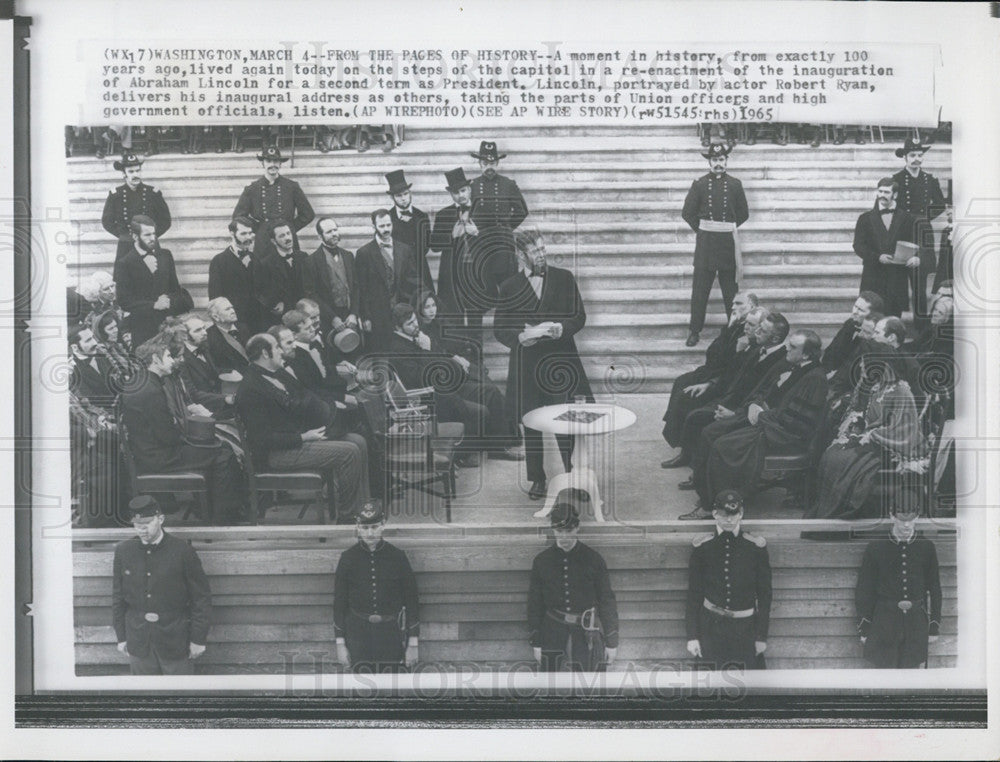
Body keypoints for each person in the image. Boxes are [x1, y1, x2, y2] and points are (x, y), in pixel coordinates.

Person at [685, 329, 827, 519]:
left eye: (793, 347)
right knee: (710, 431)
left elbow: (797, 423)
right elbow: (766, 391)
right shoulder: (792, 365)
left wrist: (761, 415)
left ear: (807, 354)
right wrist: (754, 406)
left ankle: (717, 505)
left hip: (781, 433)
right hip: (765, 419)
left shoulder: (815, 378)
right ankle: (707, 494)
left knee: (722, 447)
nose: (786, 348)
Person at [494, 228, 593, 501]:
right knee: (532, 421)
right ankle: (537, 477)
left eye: (542, 249)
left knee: (566, 421)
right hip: (527, 364)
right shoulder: (509, 286)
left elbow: (579, 316)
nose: (542, 254)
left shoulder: (564, 278)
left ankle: (574, 476)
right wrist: (519, 337)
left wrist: (563, 327)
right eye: (535, 251)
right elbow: (499, 328)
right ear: (521, 255)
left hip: (561, 362)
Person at [235, 332, 369, 522]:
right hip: (278, 453)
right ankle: (347, 519)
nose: (282, 351)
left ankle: (364, 510)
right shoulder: (251, 389)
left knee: (358, 441)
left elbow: (305, 399)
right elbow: (261, 439)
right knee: (349, 452)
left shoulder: (279, 373)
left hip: (299, 438)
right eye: (277, 347)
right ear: (265, 353)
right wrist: (304, 437)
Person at [120, 336, 247, 525]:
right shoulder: (150, 390)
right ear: (155, 359)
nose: (172, 361)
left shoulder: (143, 382)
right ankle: (223, 518)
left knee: (220, 448)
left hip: (151, 452)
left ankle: (212, 512)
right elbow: (167, 437)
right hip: (159, 457)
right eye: (169, 357)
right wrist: (195, 439)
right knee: (223, 453)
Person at [808, 317, 924, 520]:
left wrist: (871, 436)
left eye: (864, 365)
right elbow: (865, 416)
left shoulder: (900, 390)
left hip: (893, 446)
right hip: (874, 439)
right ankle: (827, 510)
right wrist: (855, 431)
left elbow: (904, 429)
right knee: (832, 453)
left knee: (842, 459)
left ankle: (844, 511)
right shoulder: (876, 388)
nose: (861, 369)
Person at [674, 310, 788, 479]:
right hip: (731, 398)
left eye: (762, 330)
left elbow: (762, 396)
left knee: (700, 420)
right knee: (690, 403)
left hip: (743, 409)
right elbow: (733, 374)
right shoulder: (759, 349)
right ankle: (691, 459)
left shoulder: (780, 362)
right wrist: (712, 386)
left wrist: (734, 413)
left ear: (775, 339)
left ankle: (701, 476)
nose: (756, 331)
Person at [112, 495, 212, 675]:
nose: (141, 529)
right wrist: (121, 637)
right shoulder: (123, 551)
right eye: (137, 524)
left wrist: (198, 639)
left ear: (161, 519)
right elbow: (118, 598)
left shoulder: (183, 551)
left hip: (175, 640)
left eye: (147, 523)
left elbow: (201, 599)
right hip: (138, 641)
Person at [661, 290, 757, 464]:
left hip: (724, 381)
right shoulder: (736, 325)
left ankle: (686, 452)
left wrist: (710, 384)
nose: (733, 307)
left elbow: (730, 364)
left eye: (739, 304)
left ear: (752, 306)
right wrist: (729, 327)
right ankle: (679, 436)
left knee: (687, 396)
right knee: (682, 381)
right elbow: (713, 351)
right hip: (715, 372)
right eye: (733, 303)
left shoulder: (750, 330)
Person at [527, 501, 618, 672]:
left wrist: (612, 643)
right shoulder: (542, 561)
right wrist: (537, 643)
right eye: (559, 531)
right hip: (552, 633)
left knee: (589, 689)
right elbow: (535, 604)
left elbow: (607, 601)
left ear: (577, 528)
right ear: (553, 529)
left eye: (568, 531)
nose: (564, 537)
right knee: (551, 688)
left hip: (586, 634)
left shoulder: (593, 559)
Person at [685, 489, 771, 670]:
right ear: (715, 514)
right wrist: (693, 636)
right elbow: (694, 595)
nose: (729, 520)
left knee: (750, 689)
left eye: (734, 514)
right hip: (710, 629)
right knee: (707, 690)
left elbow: (765, 596)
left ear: (741, 513)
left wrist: (761, 637)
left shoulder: (755, 547)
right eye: (724, 515)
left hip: (745, 631)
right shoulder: (703, 547)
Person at [855, 497, 943, 668]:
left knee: (911, 678)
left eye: (911, 519)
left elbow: (935, 589)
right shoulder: (876, 547)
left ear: (917, 517)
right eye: (902, 520)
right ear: (892, 516)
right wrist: (864, 626)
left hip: (916, 624)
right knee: (885, 678)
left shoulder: (927, 547)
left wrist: (934, 626)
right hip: (884, 623)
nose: (906, 525)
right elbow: (864, 590)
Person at [333, 500, 420, 673]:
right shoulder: (348, 558)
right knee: (361, 690)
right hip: (358, 636)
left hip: (391, 636)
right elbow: (339, 603)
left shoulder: (398, 557)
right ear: (357, 527)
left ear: (383, 525)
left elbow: (412, 601)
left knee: (394, 689)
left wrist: (413, 644)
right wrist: (340, 644)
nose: (370, 533)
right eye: (364, 528)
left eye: (374, 527)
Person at [681, 143, 750, 347]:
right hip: (706, 245)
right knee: (700, 291)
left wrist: (725, 227)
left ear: (726, 161)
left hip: (728, 244)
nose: (718, 164)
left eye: (721, 160)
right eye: (714, 160)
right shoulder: (700, 184)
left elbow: (744, 213)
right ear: (709, 162)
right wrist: (704, 229)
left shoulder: (736, 184)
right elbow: (687, 213)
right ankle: (694, 331)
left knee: (731, 292)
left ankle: (734, 330)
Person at [852, 177, 932, 320]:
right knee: (869, 317)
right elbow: (858, 246)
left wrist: (916, 256)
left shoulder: (908, 218)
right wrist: (877, 257)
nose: (882, 195)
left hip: (896, 277)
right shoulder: (865, 218)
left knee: (893, 319)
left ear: (895, 195)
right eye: (880, 191)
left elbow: (918, 243)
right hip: (873, 276)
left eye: (887, 192)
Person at [469, 141, 528, 330]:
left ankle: (511, 333)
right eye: (485, 164)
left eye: (492, 163)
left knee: (509, 291)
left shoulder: (508, 185)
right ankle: (475, 344)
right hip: (480, 246)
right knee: (478, 294)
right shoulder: (471, 186)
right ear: (479, 164)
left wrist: (506, 227)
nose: (489, 167)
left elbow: (521, 210)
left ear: (497, 164)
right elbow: (463, 213)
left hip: (503, 246)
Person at [430, 167, 492, 341]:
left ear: (469, 189)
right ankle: (459, 365)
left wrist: (478, 233)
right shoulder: (444, 215)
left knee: (475, 325)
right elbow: (433, 245)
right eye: (456, 193)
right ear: (450, 194)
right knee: (454, 323)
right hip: (452, 279)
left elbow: (495, 243)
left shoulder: (483, 211)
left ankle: (477, 365)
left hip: (475, 277)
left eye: (463, 190)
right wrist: (451, 236)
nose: (461, 196)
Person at [115, 215, 193, 347]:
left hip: (169, 325)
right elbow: (124, 301)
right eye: (147, 235)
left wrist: (169, 302)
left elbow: (175, 289)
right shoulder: (124, 263)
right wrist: (154, 305)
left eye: (154, 234)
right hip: (143, 329)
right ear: (135, 236)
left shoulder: (165, 255)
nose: (152, 238)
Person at [892, 138, 946, 327]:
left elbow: (940, 204)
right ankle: (893, 325)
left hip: (922, 233)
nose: (916, 159)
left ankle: (921, 328)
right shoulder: (896, 180)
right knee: (897, 282)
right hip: (901, 233)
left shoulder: (929, 180)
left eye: (919, 155)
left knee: (919, 283)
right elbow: (889, 206)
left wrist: (923, 217)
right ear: (905, 157)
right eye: (912, 155)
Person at [232, 145, 314, 261]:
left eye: (276, 161)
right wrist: (259, 228)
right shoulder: (252, 189)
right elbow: (238, 216)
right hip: (264, 240)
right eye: (268, 161)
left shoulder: (291, 186)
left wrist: (289, 228)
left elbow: (308, 214)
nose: (272, 165)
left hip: (287, 238)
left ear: (280, 164)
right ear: (263, 164)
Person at [355, 208, 420, 351]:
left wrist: (411, 308)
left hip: (402, 313)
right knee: (381, 353)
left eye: (388, 225)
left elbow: (413, 281)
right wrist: (365, 317)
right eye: (382, 226)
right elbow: (361, 288)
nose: (386, 229)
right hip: (378, 314)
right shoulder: (364, 253)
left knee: (404, 351)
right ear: (374, 227)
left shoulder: (405, 249)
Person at [101, 152, 171, 274]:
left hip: (149, 245)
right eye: (131, 172)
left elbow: (165, 220)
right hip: (126, 246)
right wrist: (123, 235)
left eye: (137, 171)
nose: (135, 175)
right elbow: (107, 221)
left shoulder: (153, 193)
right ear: (124, 174)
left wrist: (150, 236)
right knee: (125, 281)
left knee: (154, 280)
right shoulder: (115, 195)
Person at [208, 215, 268, 335]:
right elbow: (215, 297)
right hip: (234, 323)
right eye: (243, 234)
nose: (249, 237)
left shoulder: (255, 259)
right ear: (232, 234)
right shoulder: (219, 261)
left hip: (257, 322)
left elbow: (263, 288)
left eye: (250, 233)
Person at [306, 216, 361, 338]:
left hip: (350, 318)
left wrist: (354, 314)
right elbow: (312, 294)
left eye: (335, 230)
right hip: (328, 319)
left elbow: (356, 287)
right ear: (320, 237)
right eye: (329, 232)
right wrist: (332, 318)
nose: (334, 234)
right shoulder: (311, 261)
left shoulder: (348, 256)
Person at [177, 311, 236, 419]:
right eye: (198, 330)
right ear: (184, 336)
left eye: (204, 328)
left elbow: (212, 371)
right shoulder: (180, 359)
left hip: (219, 402)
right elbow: (192, 394)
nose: (205, 333)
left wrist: (231, 372)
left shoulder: (204, 346)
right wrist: (225, 399)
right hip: (203, 412)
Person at [385, 170, 434, 298]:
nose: (403, 198)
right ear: (392, 197)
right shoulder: (388, 218)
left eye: (405, 194)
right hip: (399, 271)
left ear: (410, 193)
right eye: (398, 196)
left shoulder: (421, 216)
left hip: (420, 268)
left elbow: (427, 245)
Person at [258, 222, 310, 326]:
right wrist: (275, 303)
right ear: (273, 241)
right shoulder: (266, 264)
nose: (287, 238)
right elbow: (261, 292)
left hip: (304, 314)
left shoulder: (303, 257)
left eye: (288, 233)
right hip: (282, 318)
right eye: (282, 236)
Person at [821, 291, 885, 376]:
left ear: (872, 315)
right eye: (855, 306)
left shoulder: (875, 334)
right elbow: (831, 351)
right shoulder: (850, 323)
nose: (855, 311)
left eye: (861, 310)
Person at [205, 297, 250, 373]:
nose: (233, 311)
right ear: (216, 317)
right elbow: (214, 368)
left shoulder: (243, 328)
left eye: (232, 308)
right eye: (227, 309)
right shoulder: (209, 337)